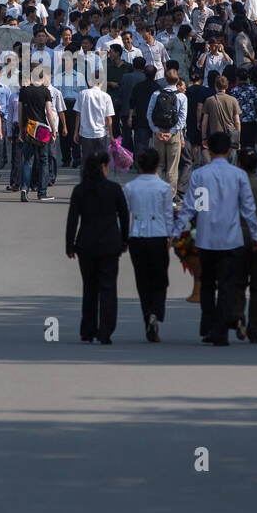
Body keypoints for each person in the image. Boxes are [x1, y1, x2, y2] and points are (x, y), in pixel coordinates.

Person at [173, 131, 257, 345]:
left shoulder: (200, 175)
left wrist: (175, 231)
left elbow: (191, 207)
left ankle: (209, 326)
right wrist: (255, 235)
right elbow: (248, 208)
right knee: (228, 285)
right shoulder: (238, 175)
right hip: (231, 238)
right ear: (230, 150)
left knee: (208, 284)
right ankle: (221, 330)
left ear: (208, 150)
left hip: (206, 238)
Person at [65, 151, 130, 344]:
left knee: (90, 288)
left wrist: (69, 244)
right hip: (110, 245)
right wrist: (124, 241)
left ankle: (88, 329)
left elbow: (72, 219)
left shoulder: (80, 190)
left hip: (86, 245)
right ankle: (105, 331)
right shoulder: (114, 189)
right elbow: (124, 217)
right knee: (108, 289)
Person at [122, 148, 172, 341]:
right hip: (159, 235)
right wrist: (171, 236)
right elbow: (168, 214)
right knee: (160, 279)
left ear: (139, 165)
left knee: (142, 281)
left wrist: (124, 239)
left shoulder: (131, 187)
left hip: (137, 236)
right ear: (158, 164)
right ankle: (156, 313)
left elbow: (125, 215)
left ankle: (147, 316)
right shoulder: (164, 187)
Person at [233, 146, 257, 342]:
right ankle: (255, 330)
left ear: (239, 163)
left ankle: (239, 316)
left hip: (237, 236)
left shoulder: (233, 185)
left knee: (238, 281)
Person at [18, 66, 58, 202]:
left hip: (28, 128)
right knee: (44, 160)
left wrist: (20, 128)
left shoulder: (24, 91)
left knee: (28, 160)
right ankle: (42, 192)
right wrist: (53, 130)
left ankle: (24, 188)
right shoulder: (45, 91)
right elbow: (49, 112)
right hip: (41, 129)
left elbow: (20, 111)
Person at [146, 68, 187, 199]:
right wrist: (173, 132)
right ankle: (170, 196)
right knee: (172, 168)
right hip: (173, 135)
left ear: (165, 79)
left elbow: (149, 114)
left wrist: (156, 131)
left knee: (158, 165)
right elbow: (182, 117)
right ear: (177, 80)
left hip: (158, 132)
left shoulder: (156, 94)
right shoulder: (181, 96)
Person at [73, 76, 114, 163]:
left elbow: (78, 115)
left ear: (90, 81)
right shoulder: (106, 96)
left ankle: (87, 176)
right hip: (100, 133)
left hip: (85, 132)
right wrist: (111, 136)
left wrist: (76, 132)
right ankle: (100, 175)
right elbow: (109, 118)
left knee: (86, 160)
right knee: (101, 161)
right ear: (101, 82)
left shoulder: (82, 94)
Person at [200, 75, 241, 157]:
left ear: (215, 86)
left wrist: (204, 138)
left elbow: (204, 122)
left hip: (215, 135)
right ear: (227, 86)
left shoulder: (209, 100)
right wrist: (238, 139)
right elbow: (237, 121)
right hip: (230, 136)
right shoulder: (233, 100)